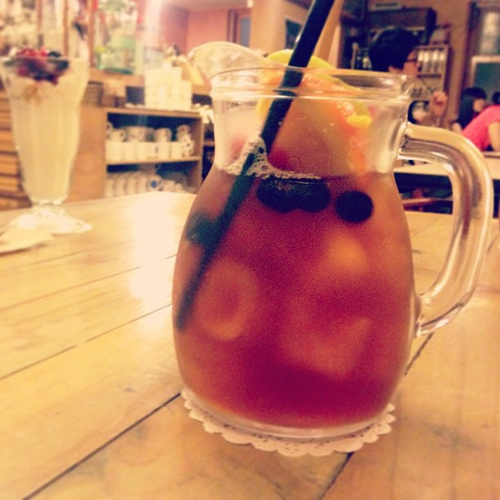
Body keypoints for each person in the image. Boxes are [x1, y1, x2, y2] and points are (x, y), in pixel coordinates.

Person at [368, 28, 448, 126]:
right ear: (394, 68)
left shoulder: (399, 98)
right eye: (414, 60)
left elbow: (409, 133)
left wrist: (432, 116)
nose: (418, 64)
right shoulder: (384, 105)